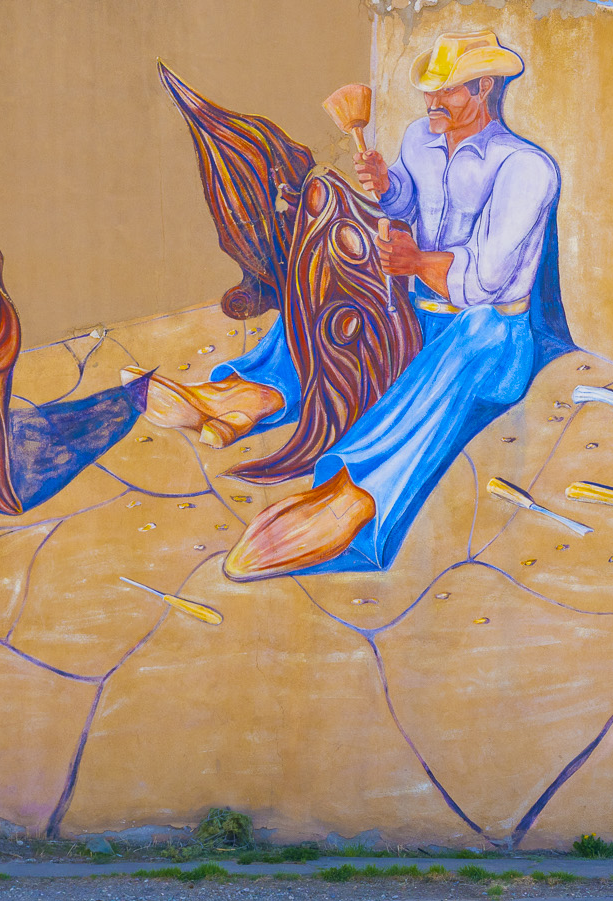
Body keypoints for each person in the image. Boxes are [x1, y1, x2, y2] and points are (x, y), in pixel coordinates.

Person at [143, 29, 574, 580]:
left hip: (491, 337)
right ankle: (258, 388)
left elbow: (487, 280)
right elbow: (407, 206)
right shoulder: (421, 137)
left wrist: (416, 263)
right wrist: (387, 185)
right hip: (419, 312)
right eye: (429, 90)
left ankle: (354, 492)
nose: (432, 102)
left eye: (447, 91)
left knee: (474, 336)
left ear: (485, 87)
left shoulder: (526, 168)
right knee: (337, 281)